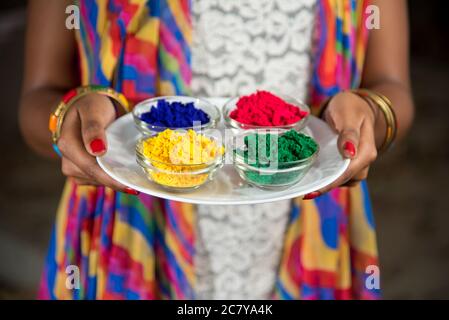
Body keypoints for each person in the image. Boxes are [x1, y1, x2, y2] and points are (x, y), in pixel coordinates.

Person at [19, 0, 414, 299]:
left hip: (313, 229)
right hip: (125, 236)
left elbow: (391, 83)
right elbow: (38, 96)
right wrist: (69, 121)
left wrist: (368, 117)